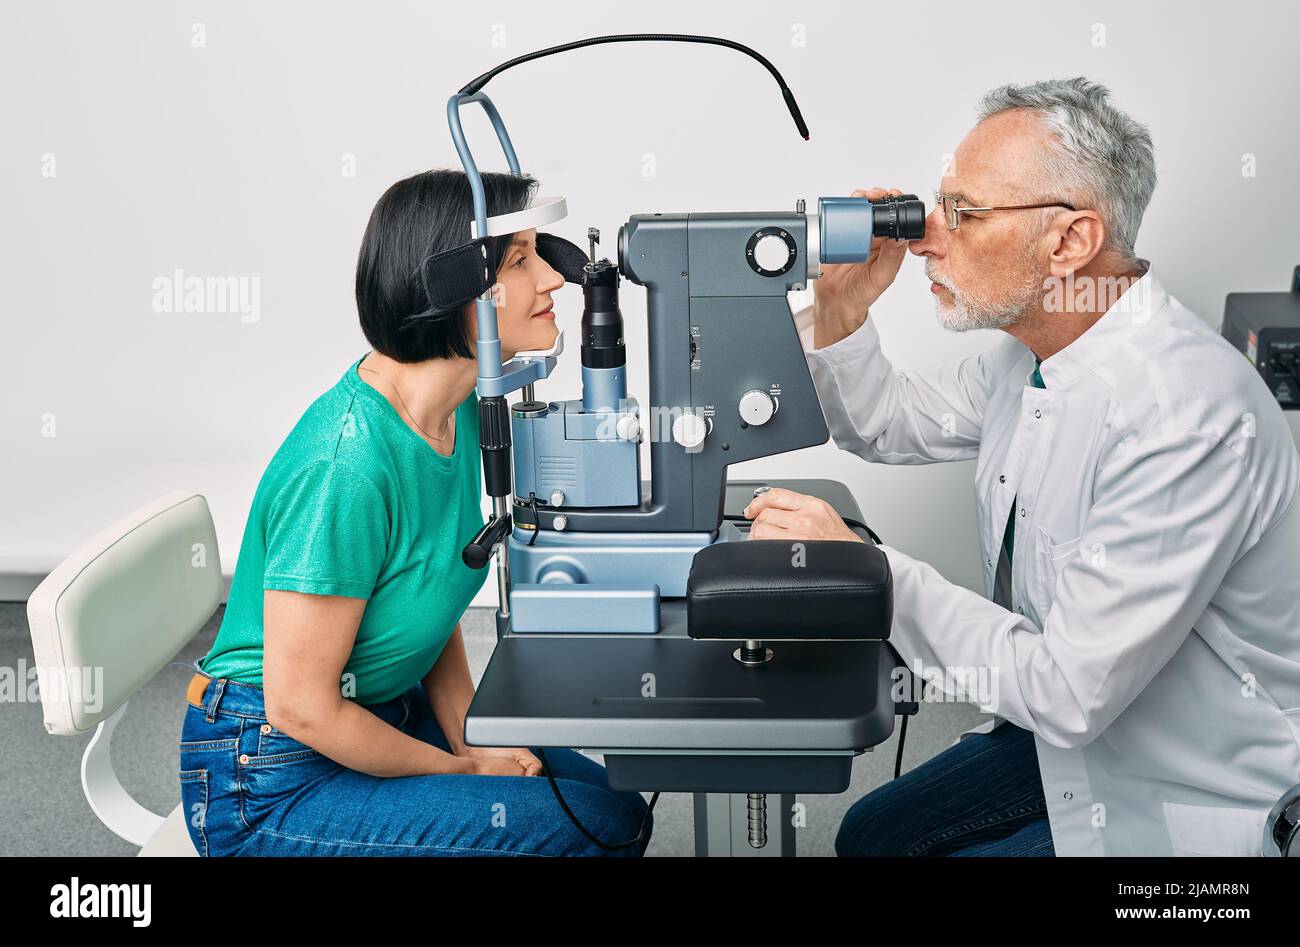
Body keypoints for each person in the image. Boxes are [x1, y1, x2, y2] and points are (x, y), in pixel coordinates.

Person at [745, 77, 1300, 856]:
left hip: (1188, 787)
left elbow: (1070, 693)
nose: (930, 237)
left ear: (1070, 242)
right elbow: (888, 423)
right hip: (1075, 736)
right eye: (938, 207)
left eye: (965, 213)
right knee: (870, 836)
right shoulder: (1040, 356)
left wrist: (866, 571)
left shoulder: (1184, 416)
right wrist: (843, 309)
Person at [178, 169, 651, 856]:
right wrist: (463, 766)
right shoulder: (346, 466)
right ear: (453, 290)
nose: (552, 279)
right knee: (588, 835)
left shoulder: (459, 409)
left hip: (381, 710)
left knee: (617, 808)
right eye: (520, 260)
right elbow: (302, 705)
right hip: (270, 771)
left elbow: (422, 596)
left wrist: (466, 725)